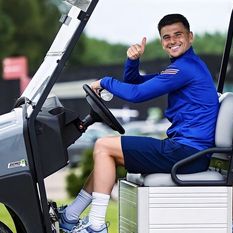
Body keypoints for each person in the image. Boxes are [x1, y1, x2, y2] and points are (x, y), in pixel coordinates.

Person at [59, 13, 219, 233]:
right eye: (166, 37)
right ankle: (71, 216)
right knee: (107, 151)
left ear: (190, 37)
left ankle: (95, 226)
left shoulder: (185, 68)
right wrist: (132, 62)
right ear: (162, 42)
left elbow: (136, 94)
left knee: (103, 146)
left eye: (178, 35)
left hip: (187, 153)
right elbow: (136, 82)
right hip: (187, 151)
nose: (172, 40)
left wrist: (105, 82)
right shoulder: (183, 67)